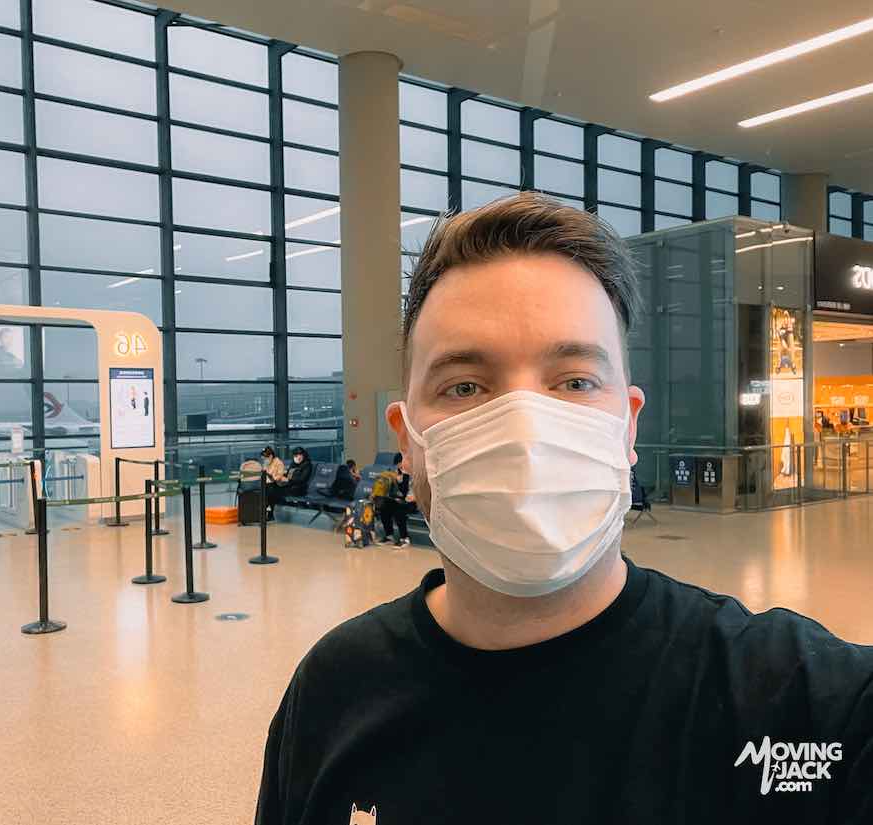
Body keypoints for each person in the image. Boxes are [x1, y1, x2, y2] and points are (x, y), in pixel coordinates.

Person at [255, 193, 873, 824]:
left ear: (628, 429)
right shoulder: (333, 696)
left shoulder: (800, 702)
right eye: (464, 386)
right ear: (406, 440)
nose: (525, 430)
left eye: (575, 381)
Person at [375, 452, 414, 547]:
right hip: (402, 499)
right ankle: (389, 536)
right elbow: (400, 491)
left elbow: (418, 490)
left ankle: (404, 538)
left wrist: (413, 497)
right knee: (384, 505)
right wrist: (397, 481)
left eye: (401, 465)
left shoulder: (414, 472)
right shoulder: (398, 473)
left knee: (399, 510)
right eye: (398, 465)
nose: (400, 467)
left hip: (414, 502)